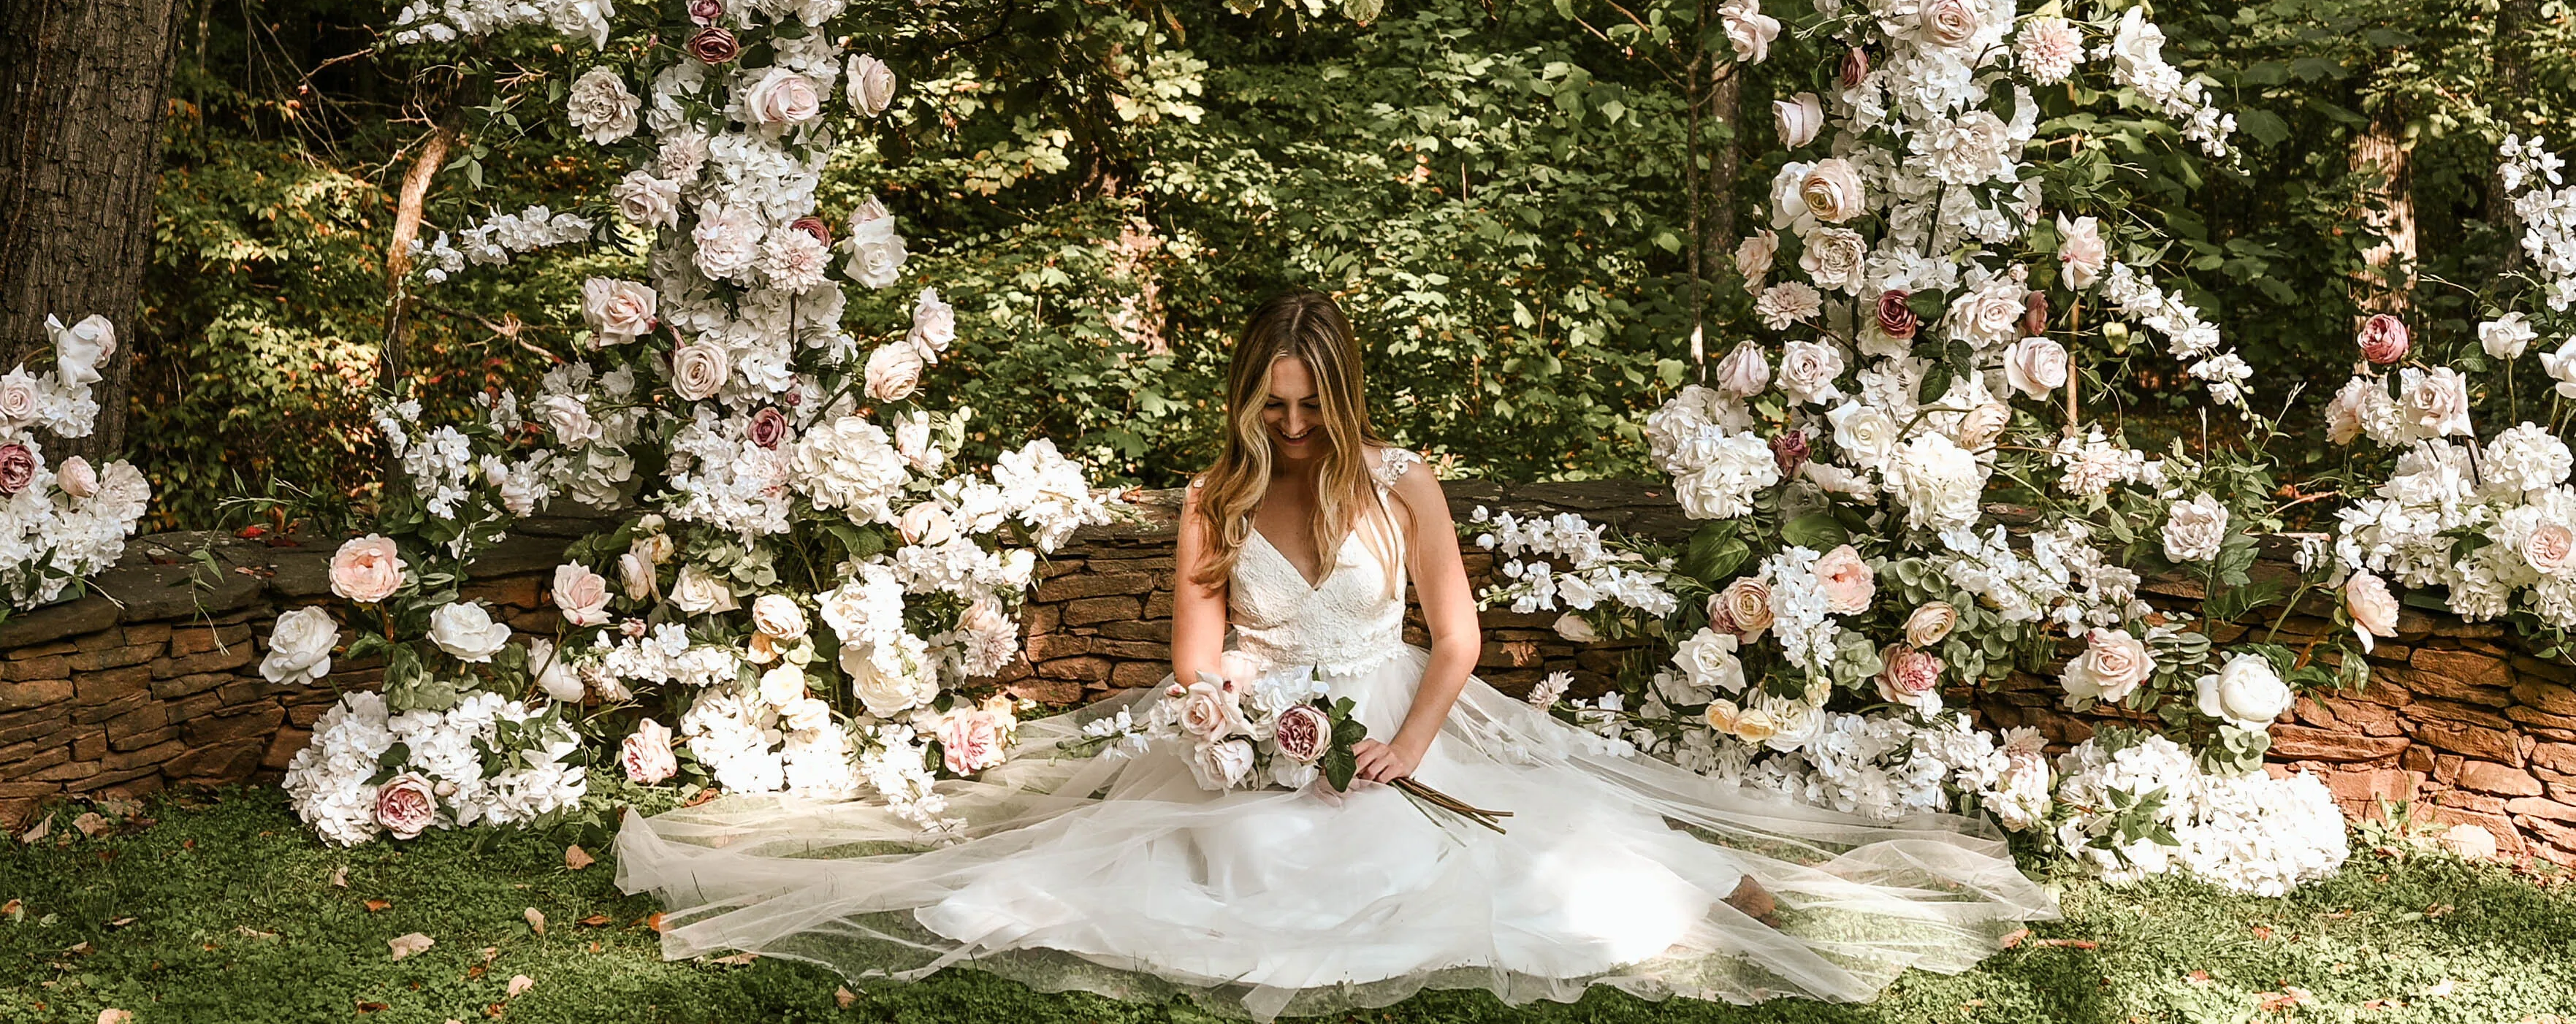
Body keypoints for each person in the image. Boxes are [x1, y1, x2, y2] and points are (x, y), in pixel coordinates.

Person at [615, 289, 2056, 1019]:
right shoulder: (1211, 496)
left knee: (1532, 847)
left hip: (1391, 715)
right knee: (1232, 858)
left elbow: (1461, 636)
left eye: (1308, 405)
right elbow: (1192, 654)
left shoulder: (1400, 479)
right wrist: (1218, 718)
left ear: (1341, 392)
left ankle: (1741, 885)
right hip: (1254, 727)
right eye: (1270, 403)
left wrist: (1402, 745)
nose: (1289, 427)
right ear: (1244, 393)